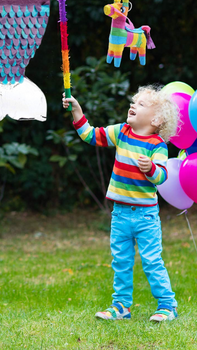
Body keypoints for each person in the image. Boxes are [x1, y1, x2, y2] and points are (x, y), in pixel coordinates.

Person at [62, 85, 179, 322]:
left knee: (152, 262)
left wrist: (151, 169)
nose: (133, 105)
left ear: (156, 119)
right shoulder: (122, 132)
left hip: (146, 217)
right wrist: (77, 110)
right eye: (133, 102)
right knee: (121, 262)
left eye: (141, 104)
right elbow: (90, 135)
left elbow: (163, 176)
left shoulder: (157, 145)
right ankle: (121, 307)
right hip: (120, 215)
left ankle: (167, 305)